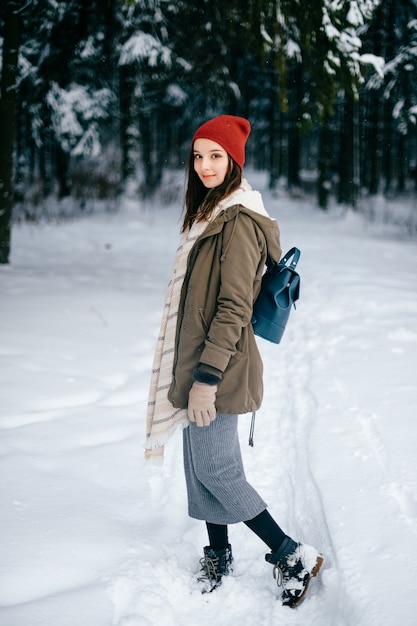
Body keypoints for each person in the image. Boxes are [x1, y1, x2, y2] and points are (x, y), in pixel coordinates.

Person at [145, 115, 323, 607]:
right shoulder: (209, 213)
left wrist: (205, 378)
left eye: (215, 156)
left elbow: (233, 308)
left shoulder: (239, 222)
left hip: (218, 367)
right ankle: (219, 550)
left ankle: (291, 554)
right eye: (198, 155)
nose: (203, 165)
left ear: (234, 161)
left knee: (219, 470)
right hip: (198, 362)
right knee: (200, 467)